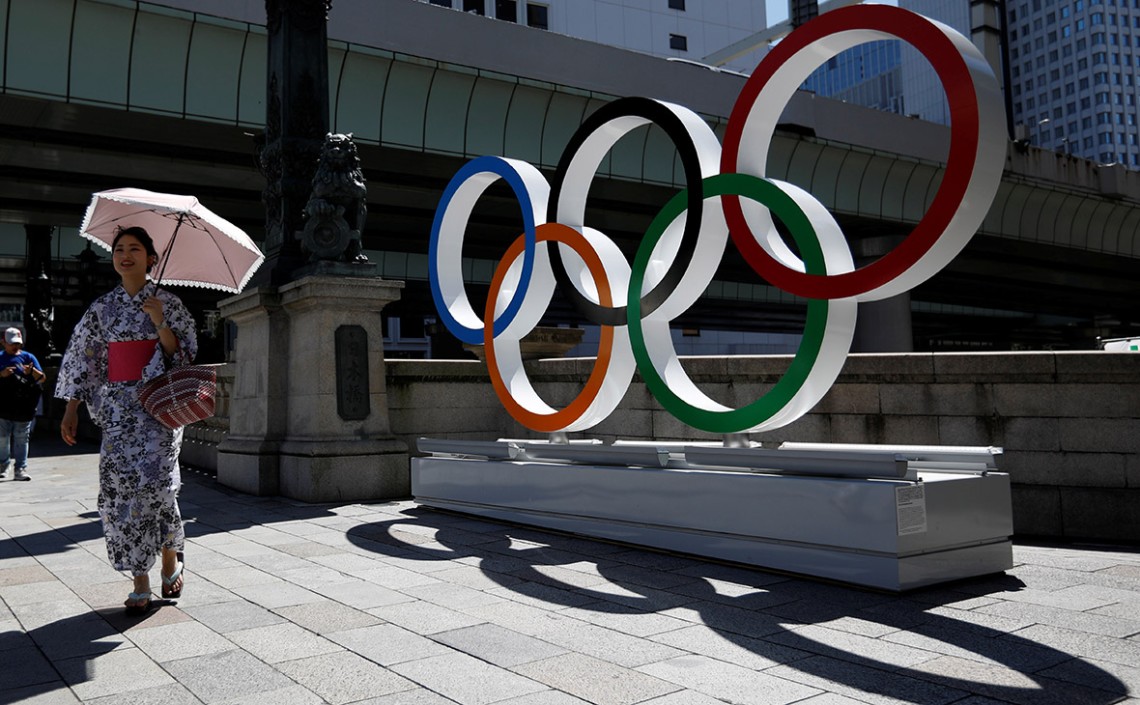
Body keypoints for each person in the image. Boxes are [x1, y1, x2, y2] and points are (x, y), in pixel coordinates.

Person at [57, 226, 196, 615]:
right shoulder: (102, 309)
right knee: (120, 492)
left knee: (159, 487)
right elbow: (81, 358)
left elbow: (182, 355)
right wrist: (71, 406)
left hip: (158, 410)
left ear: (152, 258)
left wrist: (160, 323)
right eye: (119, 249)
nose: (126, 255)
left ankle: (170, 557)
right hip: (118, 411)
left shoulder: (168, 302)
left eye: (135, 249)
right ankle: (140, 578)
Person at [1, 327, 45, 481]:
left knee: (21, 438)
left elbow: (42, 378)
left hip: (23, 405)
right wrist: (2, 374)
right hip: (3, 405)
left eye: (18, 344)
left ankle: (20, 468)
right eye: (12, 344)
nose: (15, 347)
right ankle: (3, 466)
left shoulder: (28, 357)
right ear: (3, 343)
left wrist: (31, 372)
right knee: (2, 437)